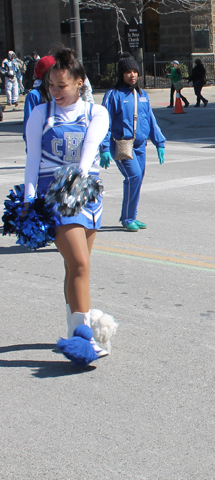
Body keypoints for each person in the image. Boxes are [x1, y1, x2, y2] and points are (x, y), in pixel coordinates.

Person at [23, 47, 110, 356]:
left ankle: (75, 332)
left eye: (62, 86)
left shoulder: (95, 113)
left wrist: (78, 179)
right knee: (79, 264)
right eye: (51, 86)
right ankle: (84, 341)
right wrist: (28, 200)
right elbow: (32, 158)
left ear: (79, 82)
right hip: (55, 199)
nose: (55, 91)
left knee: (75, 269)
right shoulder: (40, 114)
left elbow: (89, 151)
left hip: (86, 196)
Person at [100, 53, 166, 232]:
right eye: (128, 72)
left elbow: (150, 119)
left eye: (135, 71)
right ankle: (128, 218)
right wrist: (104, 148)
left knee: (137, 179)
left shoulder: (141, 94)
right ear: (121, 74)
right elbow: (104, 122)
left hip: (140, 146)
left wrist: (159, 142)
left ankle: (130, 216)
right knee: (134, 177)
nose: (132, 75)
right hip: (122, 145)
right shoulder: (113, 95)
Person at [23, 55, 55, 143]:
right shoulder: (34, 95)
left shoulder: (62, 91)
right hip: (43, 148)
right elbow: (29, 127)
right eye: (54, 70)